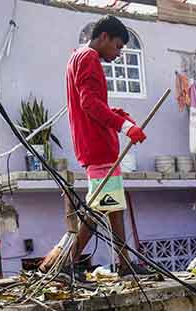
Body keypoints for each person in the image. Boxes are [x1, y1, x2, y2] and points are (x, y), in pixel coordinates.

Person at [39, 16, 148, 275]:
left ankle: (123, 264)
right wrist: (125, 127)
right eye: (118, 46)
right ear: (104, 37)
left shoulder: (78, 57)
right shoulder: (88, 58)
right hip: (98, 146)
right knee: (98, 208)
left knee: (111, 206)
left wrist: (117, 114)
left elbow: (90, 102)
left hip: (93, 144)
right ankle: (65, 262)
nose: (119, 53)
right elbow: (89, 103)